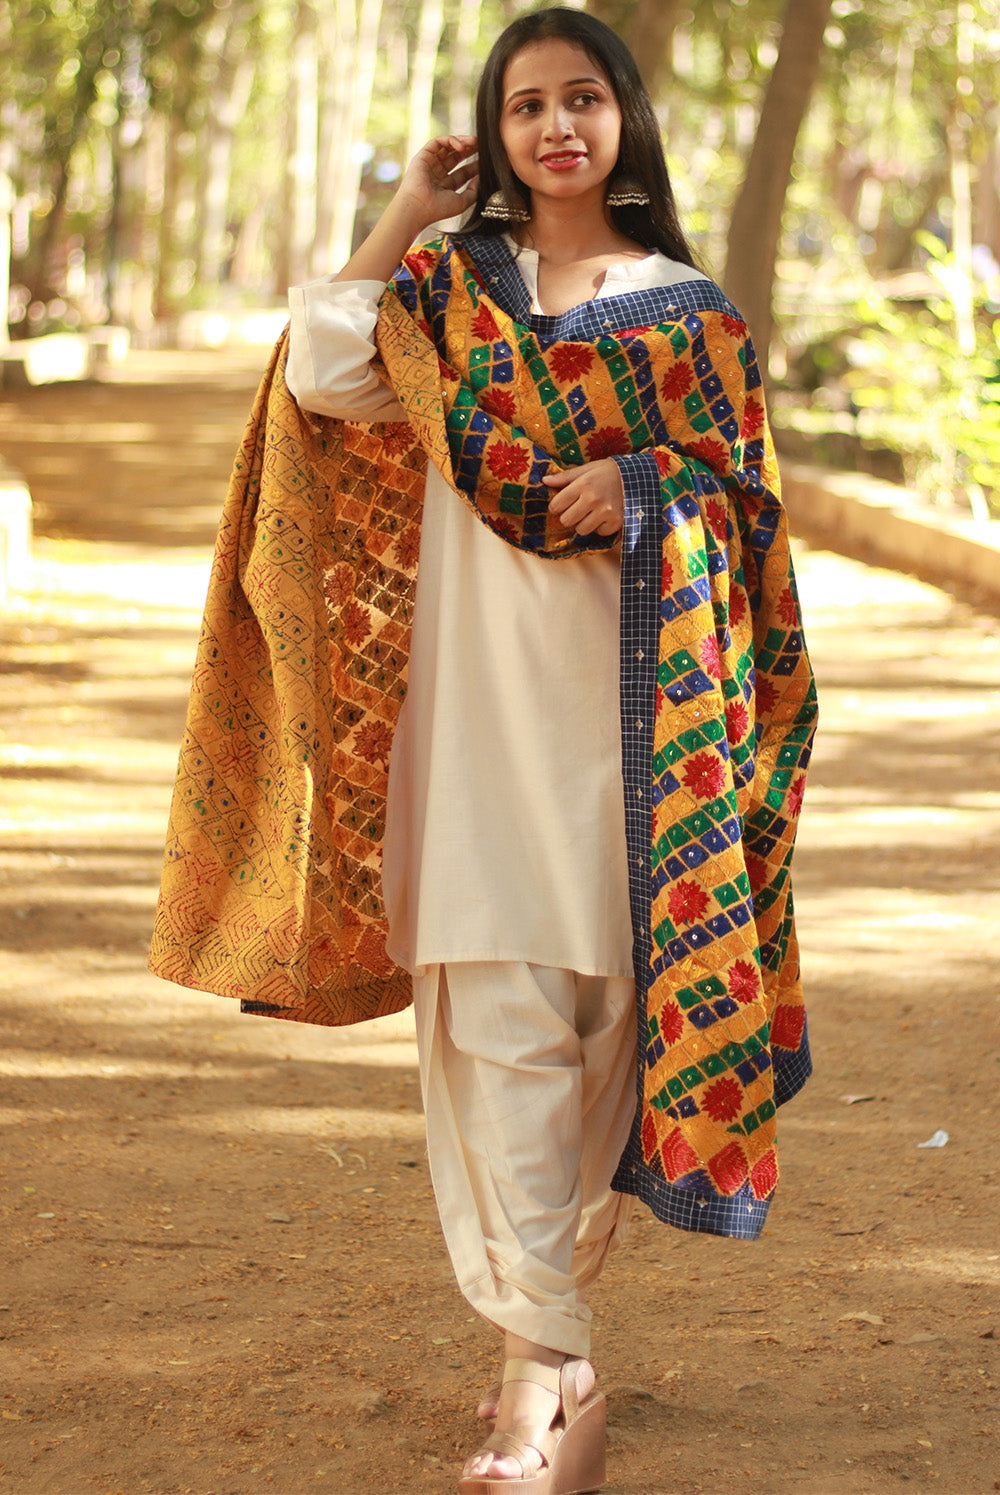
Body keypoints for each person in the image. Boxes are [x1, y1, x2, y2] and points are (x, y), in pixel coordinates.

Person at [149, 8, 817, 1493]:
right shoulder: (452, 289)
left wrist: (642, 477)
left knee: (602, 1041)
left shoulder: (694, 313)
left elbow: (751, 524)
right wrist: (408, 208)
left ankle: (555, 1345)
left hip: (648, 746)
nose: (558, 128)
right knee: (498, 1031)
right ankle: (534, 1388)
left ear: (628, 120)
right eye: (527, 106)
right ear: (495, 132)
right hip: (476, 730)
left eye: (584, 99)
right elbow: (324, 368)